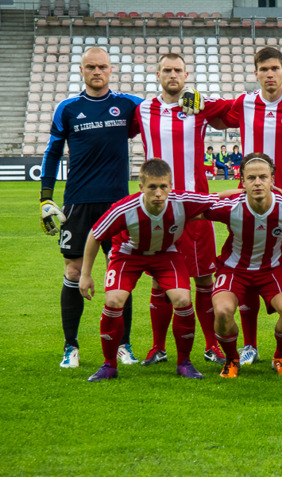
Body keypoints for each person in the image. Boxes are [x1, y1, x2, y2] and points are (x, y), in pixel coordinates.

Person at [79, 159, 237, 382]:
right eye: (152, 187)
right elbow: (95, 235)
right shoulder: (124, 208)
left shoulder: (182, 201)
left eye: (163, 186)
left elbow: (219, 197)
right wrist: (85, 275)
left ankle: (184, 362)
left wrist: (247, 189)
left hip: (166, 254)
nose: (158, 192)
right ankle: (109, 365)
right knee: (114, 300)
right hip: (128, 255)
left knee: (182, 299)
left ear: (170, 186)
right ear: (141, 187)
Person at [211, 47, 282, 367]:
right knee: (249, 268)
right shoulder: (243, 103)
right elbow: (209, 114)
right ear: (256, 73)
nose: (270, 74)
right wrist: (187, 95)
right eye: (264, 69)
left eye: (275, 68)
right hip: (250, 203)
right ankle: (250, 345)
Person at [40, 46, 143, 368]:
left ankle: (124, 345)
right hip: (78, 203)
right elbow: (52, 152)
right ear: (82, 71)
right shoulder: (68, 109)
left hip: (117, 205)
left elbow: (162, 112)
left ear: (111, 70)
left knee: (120, 275)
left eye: (102, 67)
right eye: (90, 67)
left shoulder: (127, 105)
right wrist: (45, 196)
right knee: (72, 271)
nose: (97, 72)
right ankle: (70, 346)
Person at [134, 53, 234, 366]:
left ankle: (210, 345)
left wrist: (203, 99)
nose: (173, 75)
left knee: (204, 278)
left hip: (195, 208)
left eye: (178, 70)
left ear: (186, 74)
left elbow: (238, 108)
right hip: (158, 209)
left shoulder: (198, 106)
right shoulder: (143, 109)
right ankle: (158, 347)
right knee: (159, 281)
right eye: (167, 70)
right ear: (157, 73)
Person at [205, 153, 282, 378]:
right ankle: (231, 360)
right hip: (233, 270)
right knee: (222, 310)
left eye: (262, 177)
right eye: (251, 178)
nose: (257, 182)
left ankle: (280, 357)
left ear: (272, 180)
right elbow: (192, 210)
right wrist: (221, 193)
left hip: (272, 270)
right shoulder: (230, 207)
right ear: (242, 182)